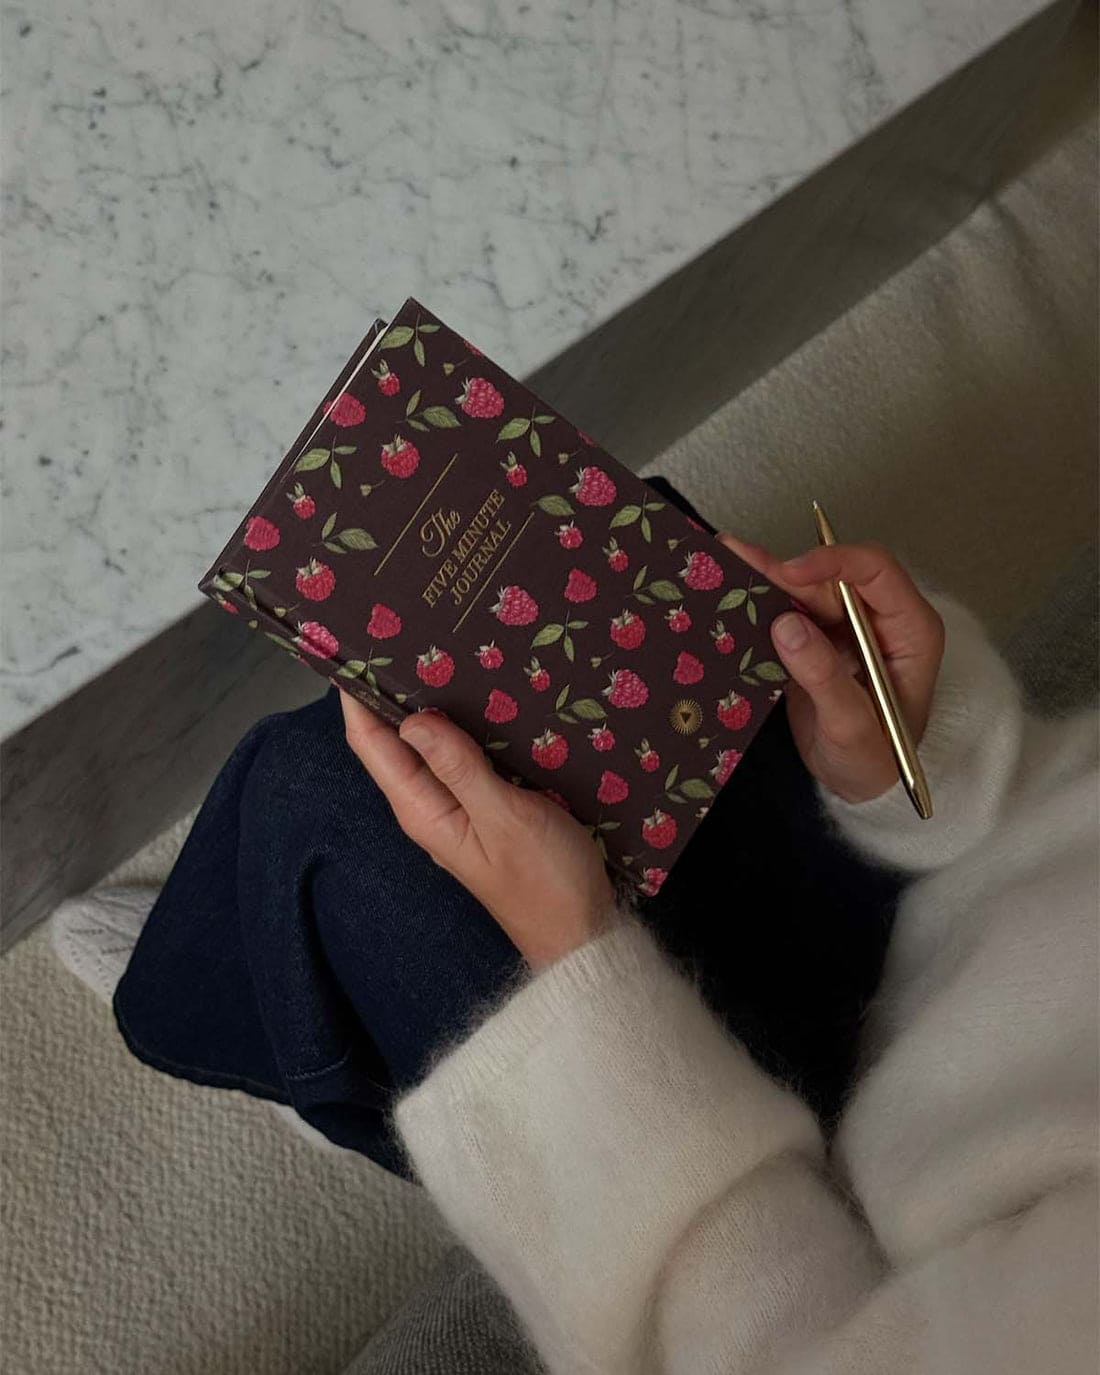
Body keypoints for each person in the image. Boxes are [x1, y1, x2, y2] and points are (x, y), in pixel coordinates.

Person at [114, 528, 1098, 1373]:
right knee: (626, 576)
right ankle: (291, 987)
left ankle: (256, 1010)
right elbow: (1061, 825)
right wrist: (909, 769)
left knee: (323, 799)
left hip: (800, 1210)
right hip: (915, 931)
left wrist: (577, 960)